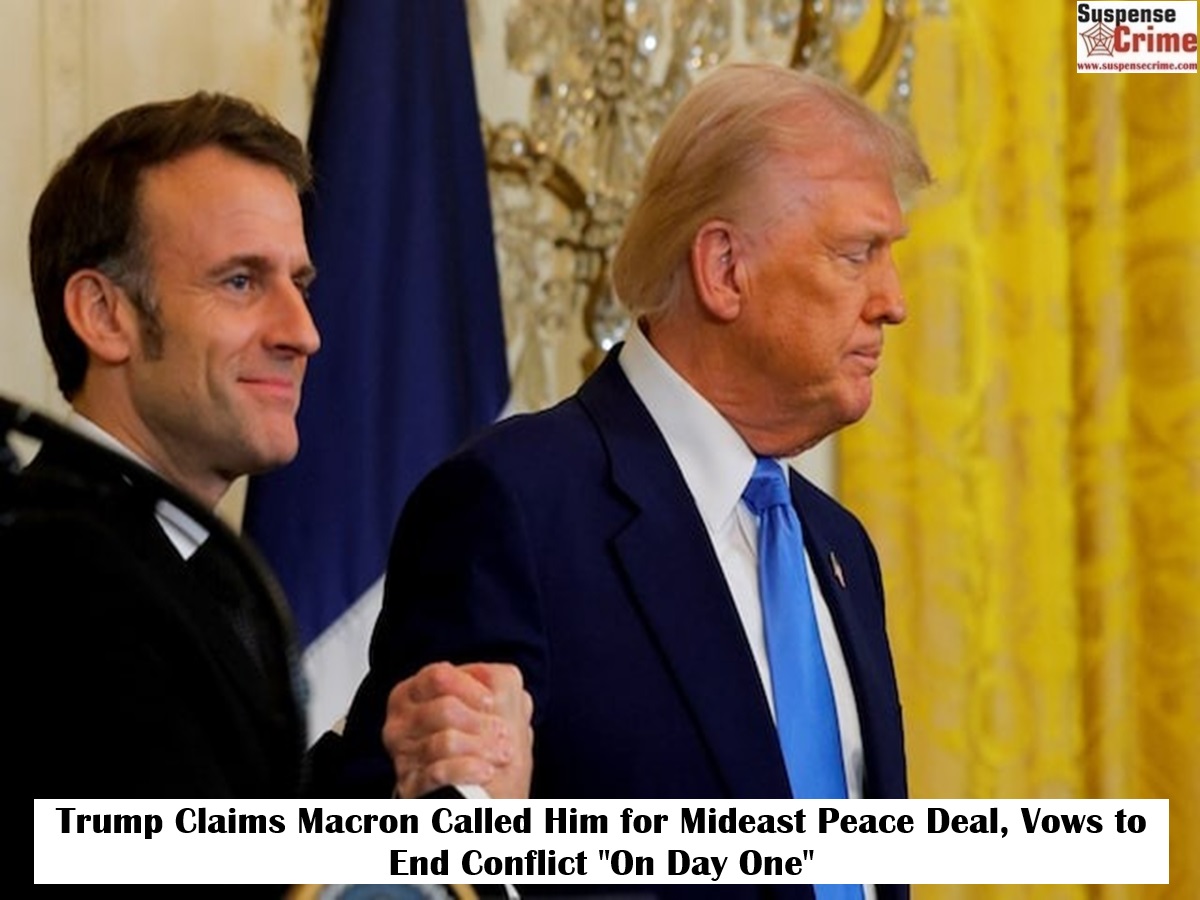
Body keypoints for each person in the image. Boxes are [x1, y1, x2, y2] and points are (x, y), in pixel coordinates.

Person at [338, 63, 930, 899]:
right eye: (857, 253)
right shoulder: (512, 507)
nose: (893, 301)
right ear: (724, 269)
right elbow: (402, 865)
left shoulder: (840, 548)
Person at [6, 92, 530, 799]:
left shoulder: (186, 564)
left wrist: (395, 761)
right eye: (241, 280)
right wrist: (477, 827)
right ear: (104, 315)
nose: (302, 332)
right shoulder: (55, 577)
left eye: (300, 284)